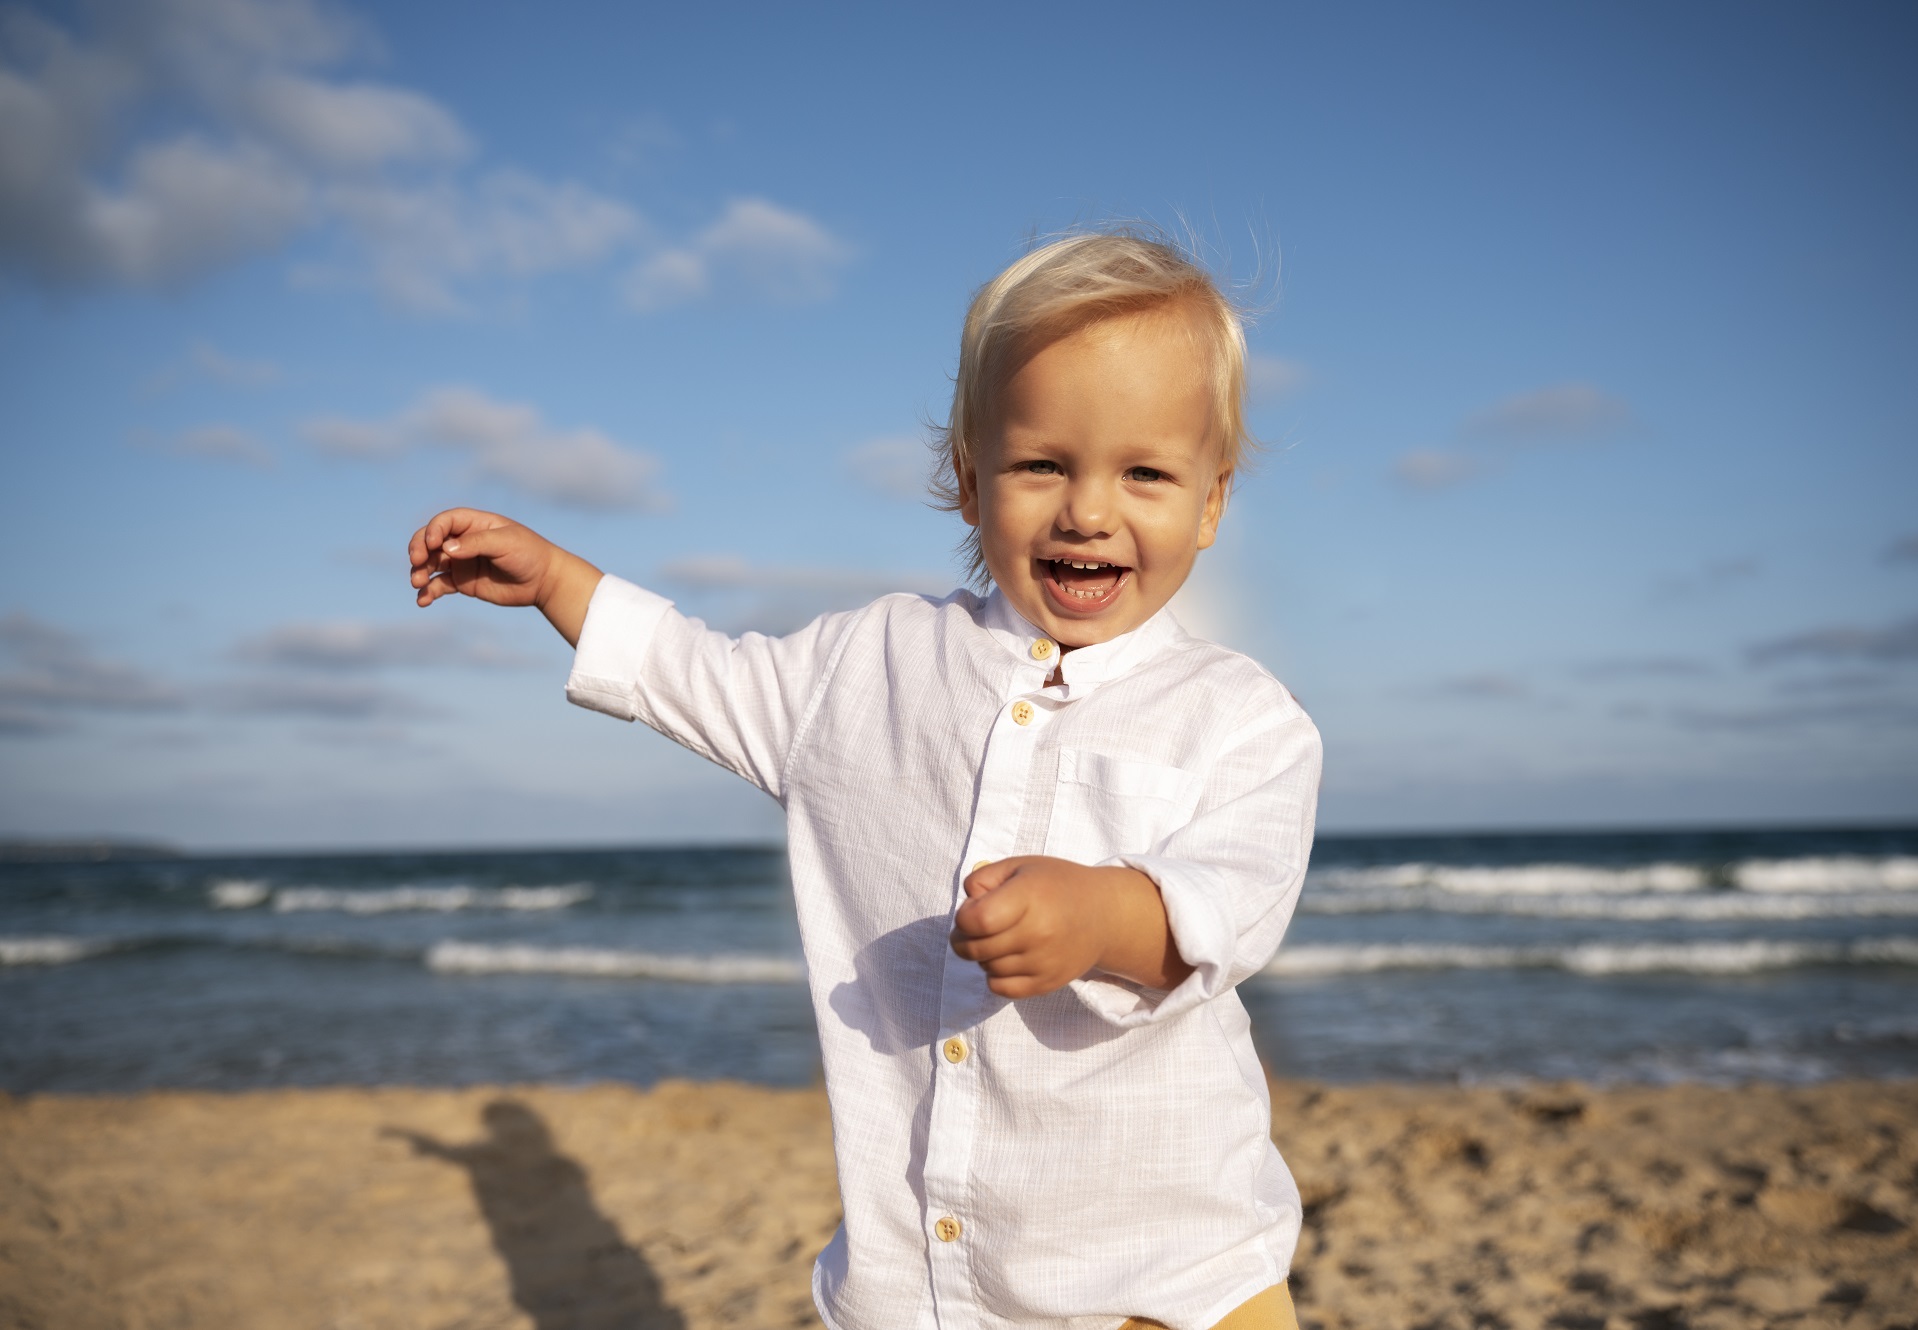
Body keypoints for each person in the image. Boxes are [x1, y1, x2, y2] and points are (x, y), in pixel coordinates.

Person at [406, 230, 1322, 1330]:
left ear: (1211, 502)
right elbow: (694, 672)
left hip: (1172, 1281)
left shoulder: (1241, 721)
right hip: (930, 1289)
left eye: (1144, 473)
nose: (1087, 509)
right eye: (1043, 464)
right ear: (968, 477)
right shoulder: (867, 664)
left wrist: (1099, 912)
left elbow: (1224, 906)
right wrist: (560, 581)